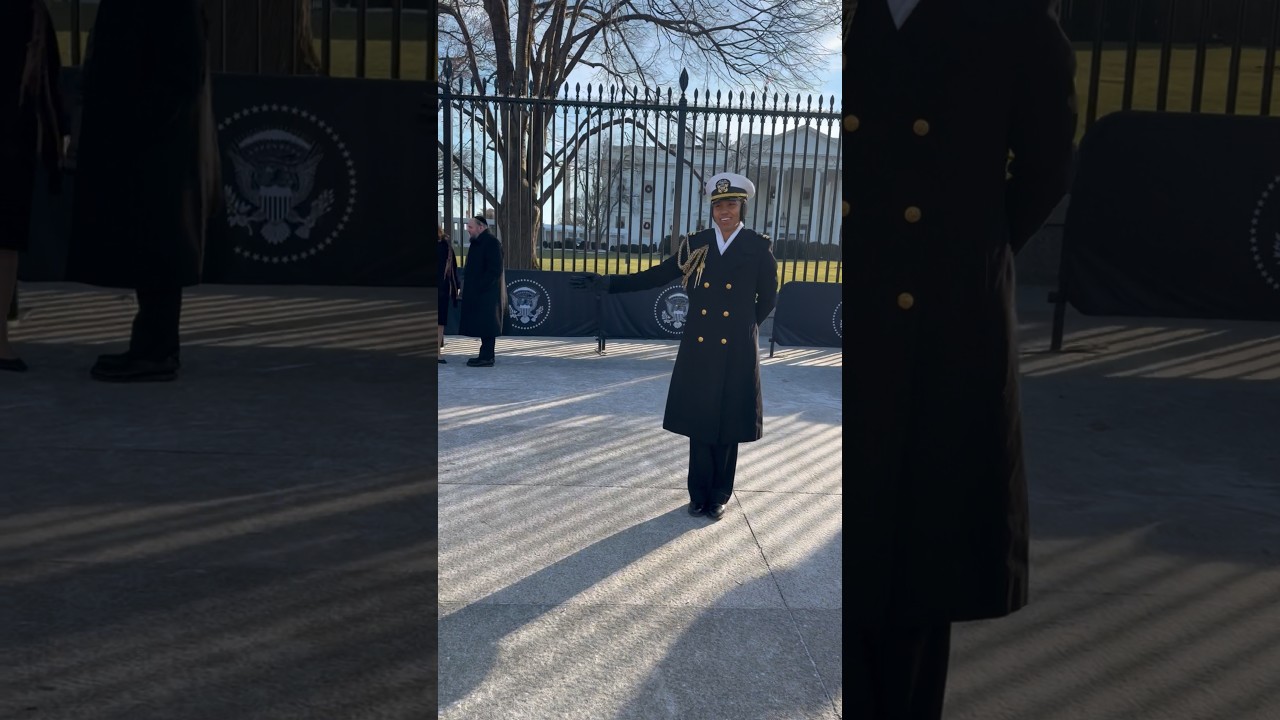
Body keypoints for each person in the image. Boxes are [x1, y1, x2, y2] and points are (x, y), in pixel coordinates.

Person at [850, 1, 1078, 718]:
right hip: (857, 322)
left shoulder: (1012, 20)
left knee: (916, 570)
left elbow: (1045, 166)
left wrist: (963, 252)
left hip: (941, 326)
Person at [571, 172, 778, 521]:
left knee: (728, 422)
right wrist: (608, 283)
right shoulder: (696, 244)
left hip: (737, 348)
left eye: (730, 204)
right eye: (718, 206)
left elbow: (768, 298)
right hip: (701, 344)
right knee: (700, 419)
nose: (724, 211)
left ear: (742, 207)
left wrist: (744, 328)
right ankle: (698, 494)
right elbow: (657, 275)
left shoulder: (758, 247)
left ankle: (719, 494)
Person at [65, 0, 221, 383]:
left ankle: (156, 350)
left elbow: (179, 72)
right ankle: (151, 344)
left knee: (159, 243)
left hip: (154, 139)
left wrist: (136, 121)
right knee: (149, 244)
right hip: (144, 134)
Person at [0, 0, 66, 373]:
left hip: (13, 138)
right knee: (5, 244)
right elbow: (46, 80)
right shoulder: (30, 12)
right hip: (12, 138)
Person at [457, 215, 506, 367]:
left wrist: (480, 286)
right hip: (478, 292)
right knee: (482, 325)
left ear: (481, 227)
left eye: (470, 227)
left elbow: (495, 270)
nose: (468, 230)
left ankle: (487, 357)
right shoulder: (477, 242)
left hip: (487, 293)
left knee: (488, 325)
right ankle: (484, 355)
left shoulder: (491, 243)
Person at [438, 224, 460, 364]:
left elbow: (452, 268)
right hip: (441, 287)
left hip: (441, 288)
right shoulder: (446, 246)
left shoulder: (445, 247)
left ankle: (437, 352)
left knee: (439, 321)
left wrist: (456, 285)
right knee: (438, 322)